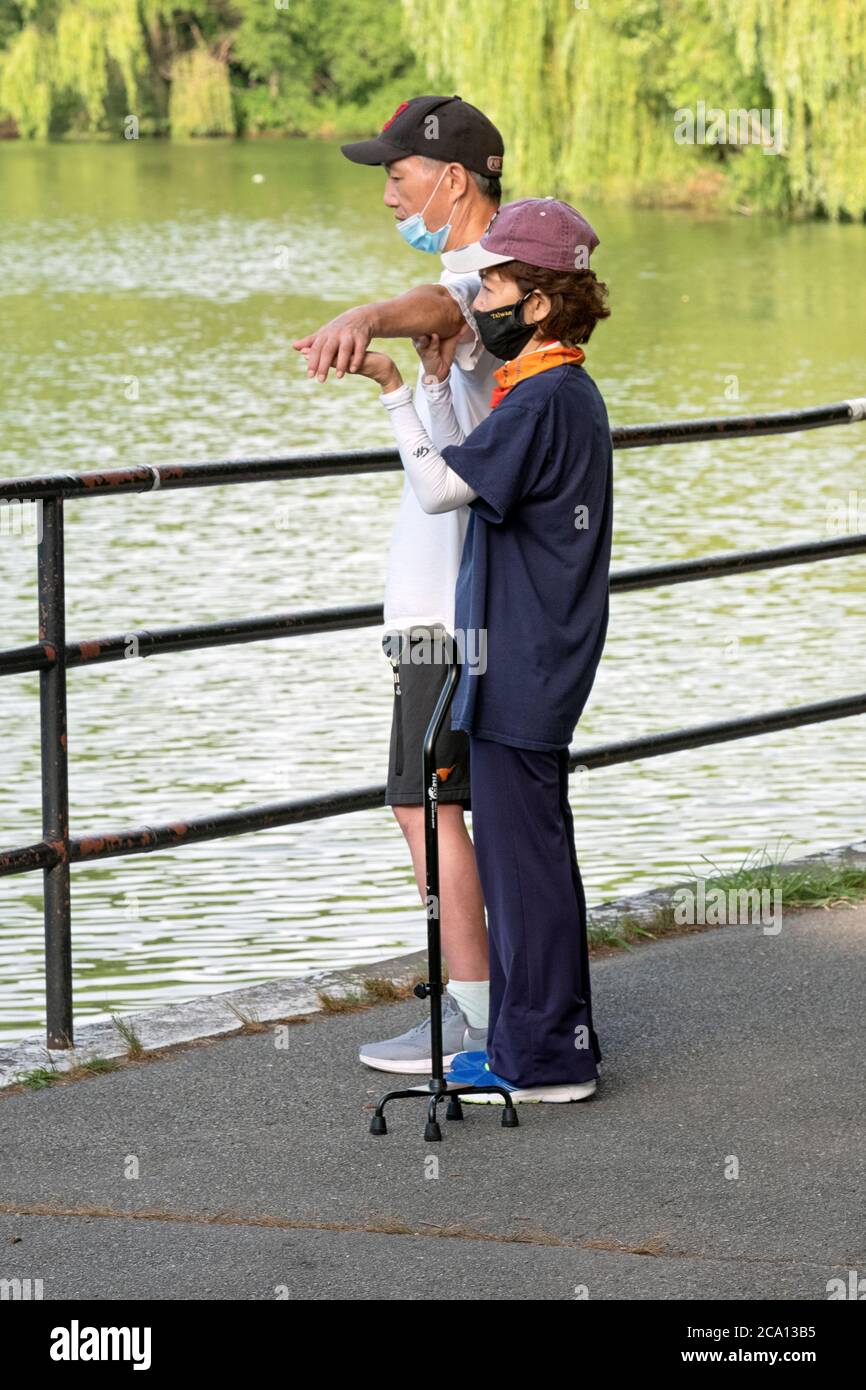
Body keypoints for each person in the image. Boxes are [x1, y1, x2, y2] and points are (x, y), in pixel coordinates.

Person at [309, 198, 613, 1103]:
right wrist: (439, 385)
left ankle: (549, 1061)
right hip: (528, 661)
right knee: (530, 863)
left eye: (499, 283)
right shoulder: (554, 391)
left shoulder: (549, 396)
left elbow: (443, 488)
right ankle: (540, 1041)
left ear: (541, 302)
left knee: (528, 869)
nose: (481, 295)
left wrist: (395, 391)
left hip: (524, 665)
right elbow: (479, 470)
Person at [293, 95, 506, 1072]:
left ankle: (472, 1016)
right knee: (429, 801)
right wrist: (393, 379)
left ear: (451, 178)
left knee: (426, 805)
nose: (387, 194)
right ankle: (482, 1003)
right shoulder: (478, 272)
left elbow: (445, 312)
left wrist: (369, 313)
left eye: (397, 174)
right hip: (444, 602)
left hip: (447, 606)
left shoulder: (477, 279)